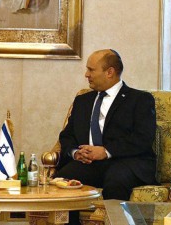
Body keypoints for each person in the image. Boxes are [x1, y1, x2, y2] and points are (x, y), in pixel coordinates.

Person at [57, 49, 157, 224]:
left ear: (110, 72)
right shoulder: (83, 100)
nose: (86, 74)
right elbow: (67, 135)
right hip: (89, 164)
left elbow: (143, 138)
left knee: (116, 180)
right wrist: (75, 152)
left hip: (126, 162)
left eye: (91, 70)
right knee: (65, 178)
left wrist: (106, 151)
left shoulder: (139, 99)